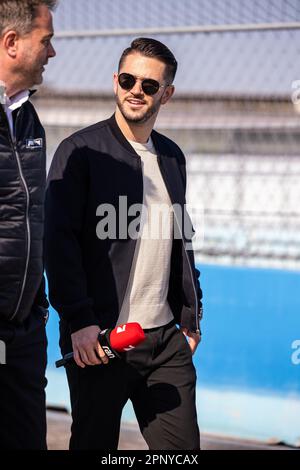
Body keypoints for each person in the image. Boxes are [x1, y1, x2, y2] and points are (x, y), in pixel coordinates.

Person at [45, 37, 203, 450]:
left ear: (166, 94)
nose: (137, 90)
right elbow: (58, 243)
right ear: (116, 81)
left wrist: (191, 313)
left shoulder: (172, 157)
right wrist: (79, 321)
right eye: (129, 79)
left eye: (150, 85)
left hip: (166, 342)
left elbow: (181, 240)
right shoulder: (79, 151)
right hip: (101, 341)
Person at [0, 0, 56, 450]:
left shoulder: (26, 114)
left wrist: (35, 310)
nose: (52, 53)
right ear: (12, 43)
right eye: (47, 41)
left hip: (22, 332)